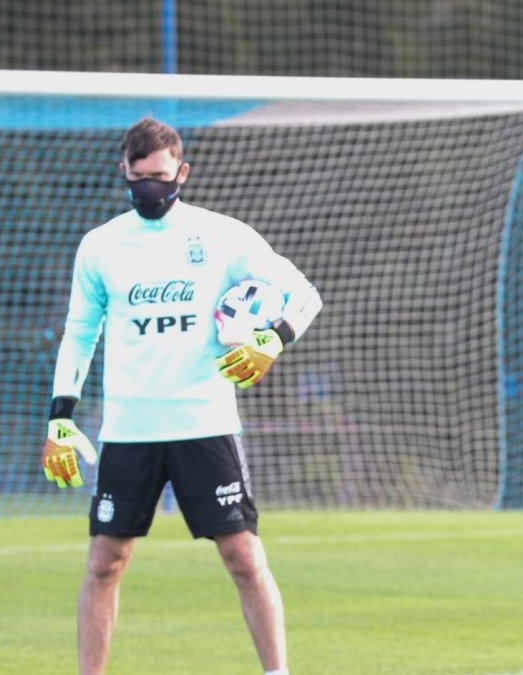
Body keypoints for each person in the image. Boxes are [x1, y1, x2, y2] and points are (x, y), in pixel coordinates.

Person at [40, 117, 323, 675]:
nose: (151, 187)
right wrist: (60, 418)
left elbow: (304, 294)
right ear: (124, 170)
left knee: (243, 556)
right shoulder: (101, 247)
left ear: (183, 173)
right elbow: (80, 332)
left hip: (205, 421)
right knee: (105, 562)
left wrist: (272, 340)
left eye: (162, 177)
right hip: (129, 430)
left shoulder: (223, 236)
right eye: (140, 177)